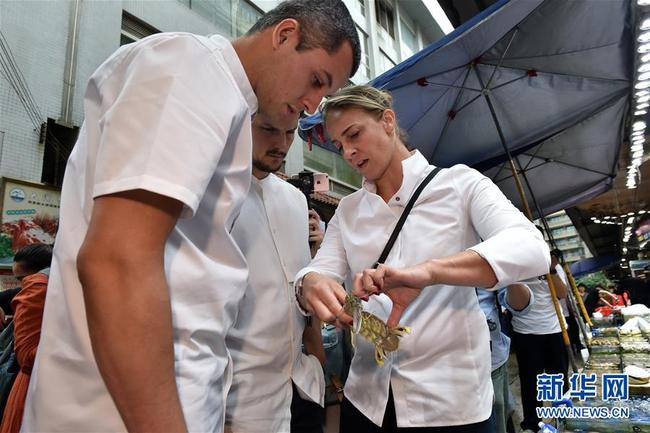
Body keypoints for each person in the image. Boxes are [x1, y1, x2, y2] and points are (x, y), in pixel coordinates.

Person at [21, 2, 360, 432]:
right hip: (118, 412)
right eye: (316, 80)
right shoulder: (190, 69)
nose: (312, 105)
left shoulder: (228, 107)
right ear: (284, 35)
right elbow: (117, 262)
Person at [295, 85, 550, 432]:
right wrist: (311, 283)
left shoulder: (458, 185)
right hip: (368, 400)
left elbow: (531, 248)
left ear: (387, 120)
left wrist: (429, 272)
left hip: (450, 403)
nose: (349, 153)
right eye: (340, 146)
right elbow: (320, 269)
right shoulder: (350, 210)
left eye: (355, 134)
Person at [225, 113, 326, 433]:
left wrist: (318, 359)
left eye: (291, 132)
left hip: (302, 385)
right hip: (239, 400)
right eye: (268, 128)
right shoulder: (217, 194)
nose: (282, 143)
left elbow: (300, 285)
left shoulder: (296, 200)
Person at [506, 250, 569, 433]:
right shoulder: (514, 264)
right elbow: (514, 302)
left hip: (554, 328)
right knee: (530, 382)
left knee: (559, 379)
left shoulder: (551, 264)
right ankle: (532, 423)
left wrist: (551, 269)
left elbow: (563, 293)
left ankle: (564, 417)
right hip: (525, 331)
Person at [0, 243, 52, 433]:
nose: (22, 285)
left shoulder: (37, 287)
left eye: (23, 279)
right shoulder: (36, 287)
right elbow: (27, 354)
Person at [478, 284, 534, 433]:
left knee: (498, 421)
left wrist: (510, 272)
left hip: (492, 360)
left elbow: (521, 306)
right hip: (434, 363)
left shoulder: (488, 261)